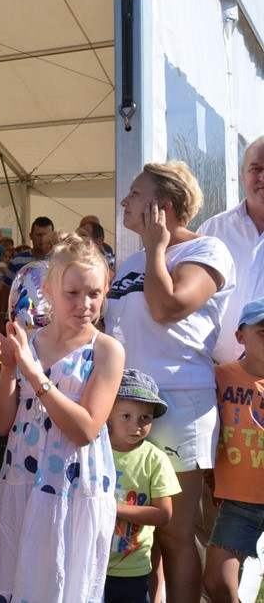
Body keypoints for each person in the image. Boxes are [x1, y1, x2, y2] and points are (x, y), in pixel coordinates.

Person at [0, 234, 125, 602]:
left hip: (70, 489)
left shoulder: (107, 350)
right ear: (48, 289)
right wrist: (8, 368)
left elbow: (85, 429)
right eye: (73, 293)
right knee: (14, 577)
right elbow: (2, 424)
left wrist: (35, 375)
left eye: (94, 293)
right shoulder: (29, 342)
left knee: (57, 582)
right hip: (22, 480)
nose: (85, 304)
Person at [104, 161, 235, 603]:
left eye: (135, 193)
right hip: (125, 405)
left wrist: (158, 248)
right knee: (135, 536)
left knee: (174, 536)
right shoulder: (130, 260)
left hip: (179, 406)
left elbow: (167, 307)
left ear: (165, 206)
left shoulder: (208, 251)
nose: (124, 201)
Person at [203, 297, 264, 603]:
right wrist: (209, 472)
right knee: (216, 581)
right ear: (241, 336)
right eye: (263, 332)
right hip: (240, 501)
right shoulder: (218, 376)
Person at [105, 369, 181, 603]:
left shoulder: (155, 459)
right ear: (108, 413)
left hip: (133, 569)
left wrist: (112, 508)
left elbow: (163, 514)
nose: (135, 426)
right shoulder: (92, 451)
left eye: (144, 418)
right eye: (125, 416)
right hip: (88, 562)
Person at [197, 136, 264, 363]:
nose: (262, 177)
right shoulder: (213, 230)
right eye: (256, 168)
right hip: (215, 375)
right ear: (243, 175)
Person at [2, 215, 55, 287]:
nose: (42, 238)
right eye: (38, 235)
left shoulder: (61, 261)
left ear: (53, 236)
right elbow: (6, 291)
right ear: (31, 236)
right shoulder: (17, 260)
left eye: (46, 235)